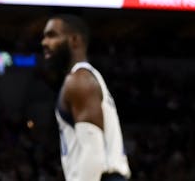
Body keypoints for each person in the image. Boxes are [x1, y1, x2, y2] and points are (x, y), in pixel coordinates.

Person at [40, 14, 130, 181]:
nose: (44, 42)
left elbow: (93, 154)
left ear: (74, 40)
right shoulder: (86, 77)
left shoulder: (79, 81)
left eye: (52, 35)